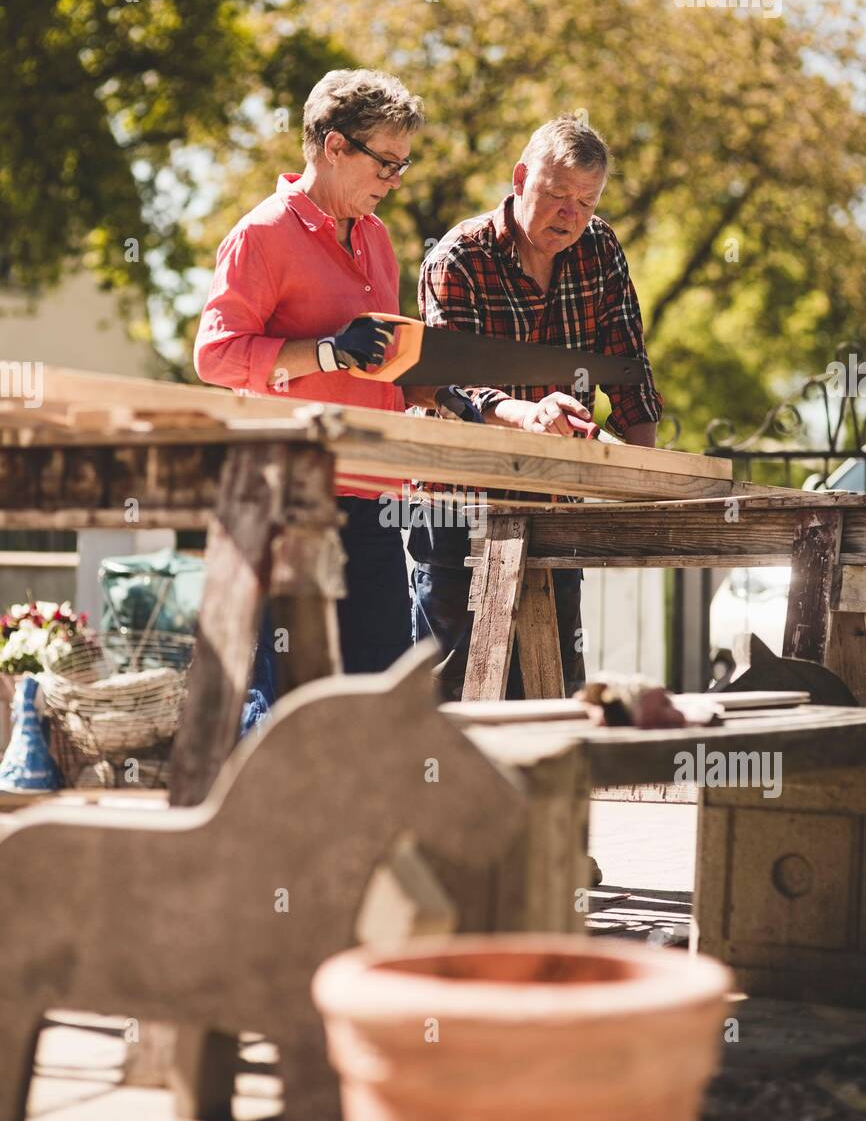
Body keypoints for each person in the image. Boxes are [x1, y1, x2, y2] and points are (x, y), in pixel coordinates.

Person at [412, 115, 664, 697]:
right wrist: (526, 416)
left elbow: (627, 365)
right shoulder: (458, 257)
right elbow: (452, 386)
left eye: (586, 201)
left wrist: (644, 468)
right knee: (451, 696)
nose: (570, 215)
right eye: (556, 195)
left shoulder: (600, 248)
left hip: (554, 505)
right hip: (459, 506)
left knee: (550, 689)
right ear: (521, 177)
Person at [194, 68, 424, 673]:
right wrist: (325, 351)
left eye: (403, 166)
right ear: (335, 145)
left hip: (373, 494)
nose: (395, 182)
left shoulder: (378, 239)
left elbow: (376, 367)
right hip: (290, 502)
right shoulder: (261, 236)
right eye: (386, 164)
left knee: (379, 697)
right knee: (288, 698)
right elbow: (215, 357)